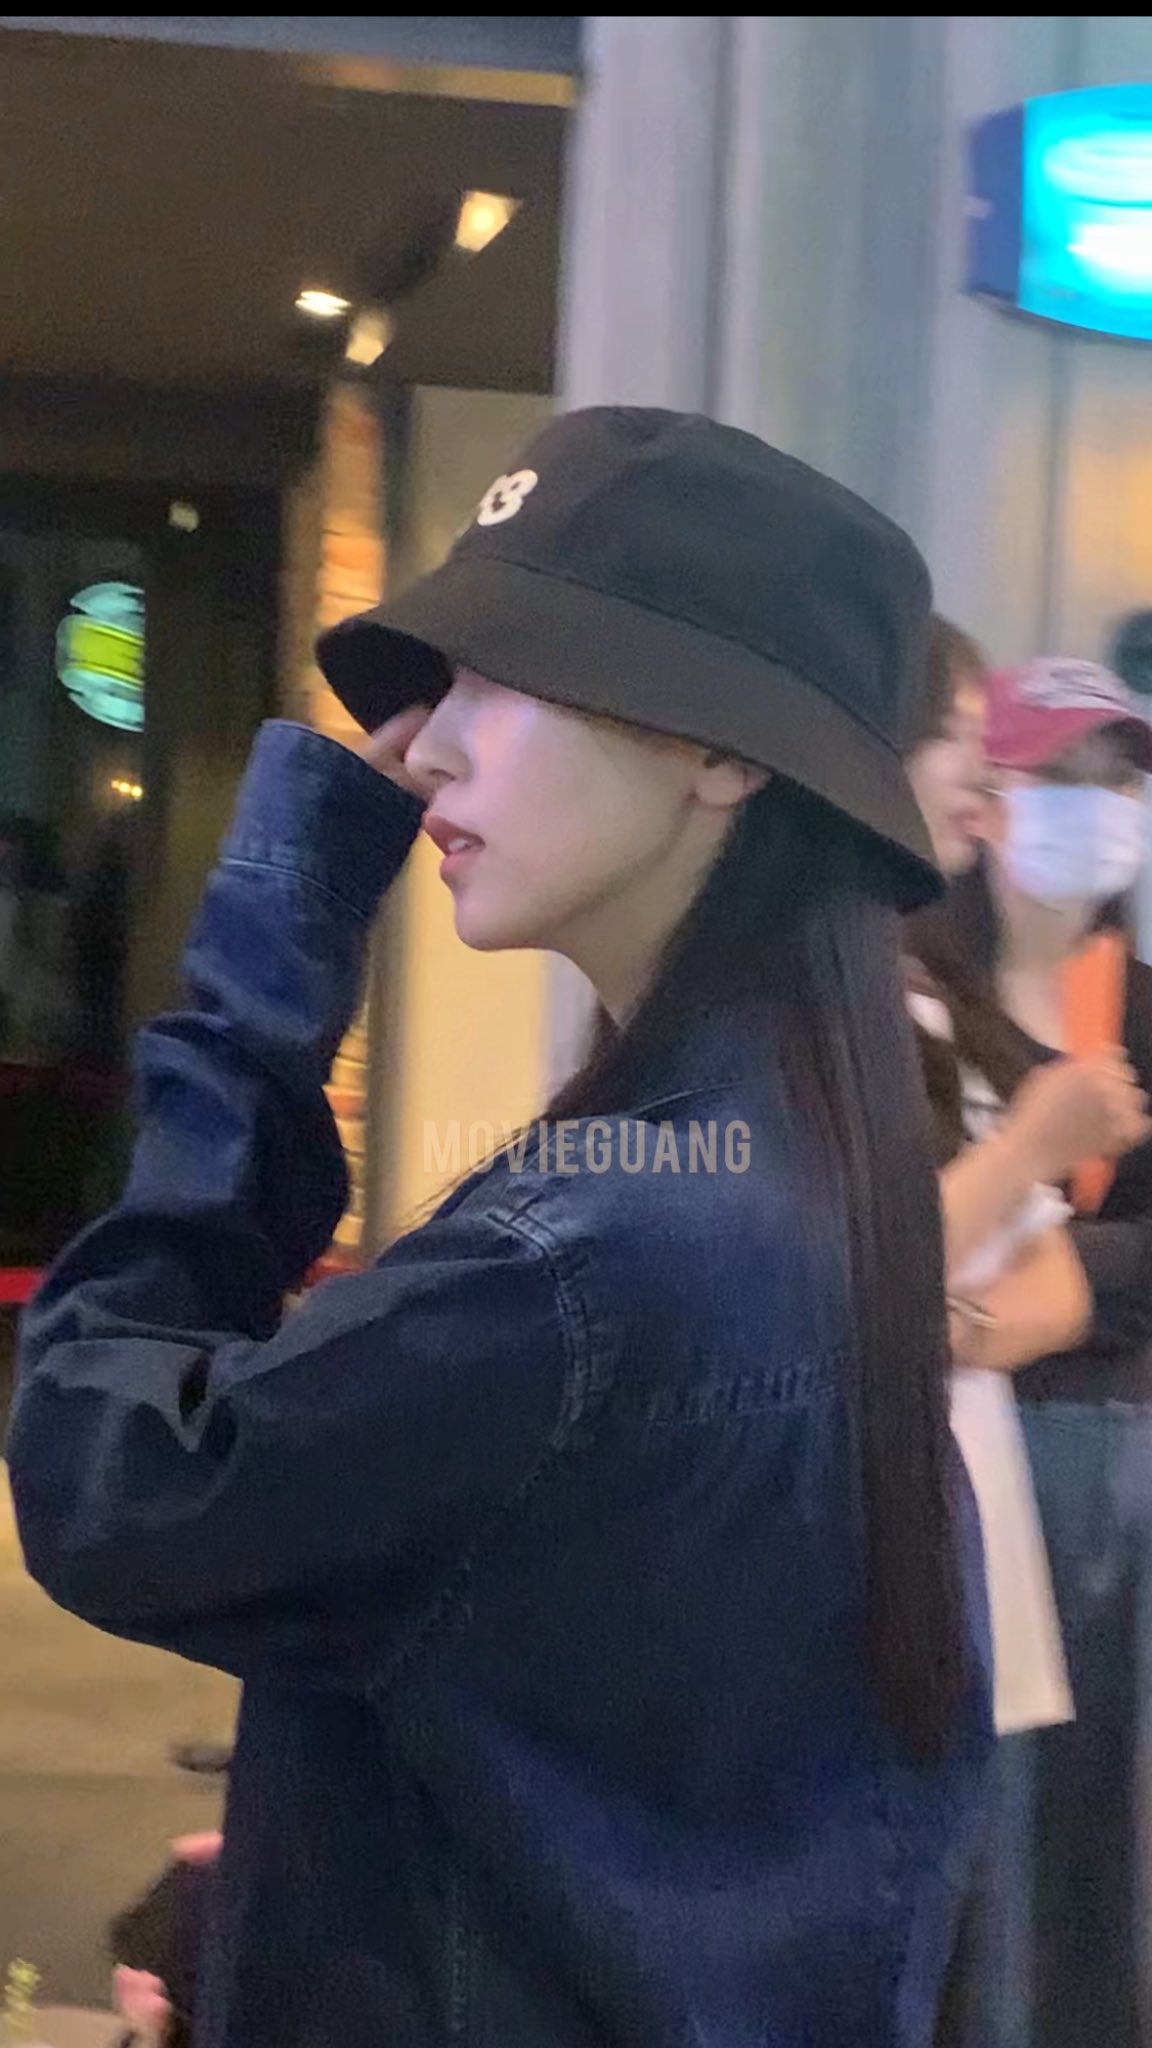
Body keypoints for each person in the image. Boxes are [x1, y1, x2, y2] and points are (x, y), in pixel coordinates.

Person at [9, 409, 993, 2048]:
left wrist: (276, 947)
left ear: (725, 752)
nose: (426, 748)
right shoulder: (810, 1171)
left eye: (504, 678)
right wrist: (334, 1860)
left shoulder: (589, 1253)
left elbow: (107, 1477)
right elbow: (675, 1769)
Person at [907, 655, 1152, 2048]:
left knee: (1104, 1839)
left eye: (1119, 784)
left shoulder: (1137, 1006)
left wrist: (1017, 1298)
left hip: (1112, 1473)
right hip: (964, 1476)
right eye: (1061, 776)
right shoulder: (917, 1000)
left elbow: (1071, 1282)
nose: (1096, 809)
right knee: (982, 1851)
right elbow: (874, 1268)